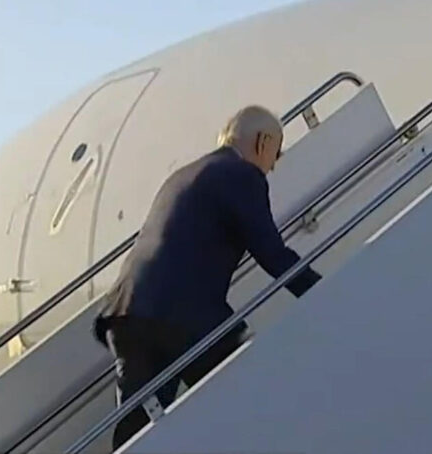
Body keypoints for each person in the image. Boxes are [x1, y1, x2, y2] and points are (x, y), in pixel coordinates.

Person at [92, 105, 322, 449]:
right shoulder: (242, 176)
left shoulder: (183, 175)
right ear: (262, 142)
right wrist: (322, 290)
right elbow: (272, 254)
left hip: (126, 314)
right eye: (276, 153)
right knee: (244, 389)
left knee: (137, 433)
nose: (273, 165)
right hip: (183, 316)